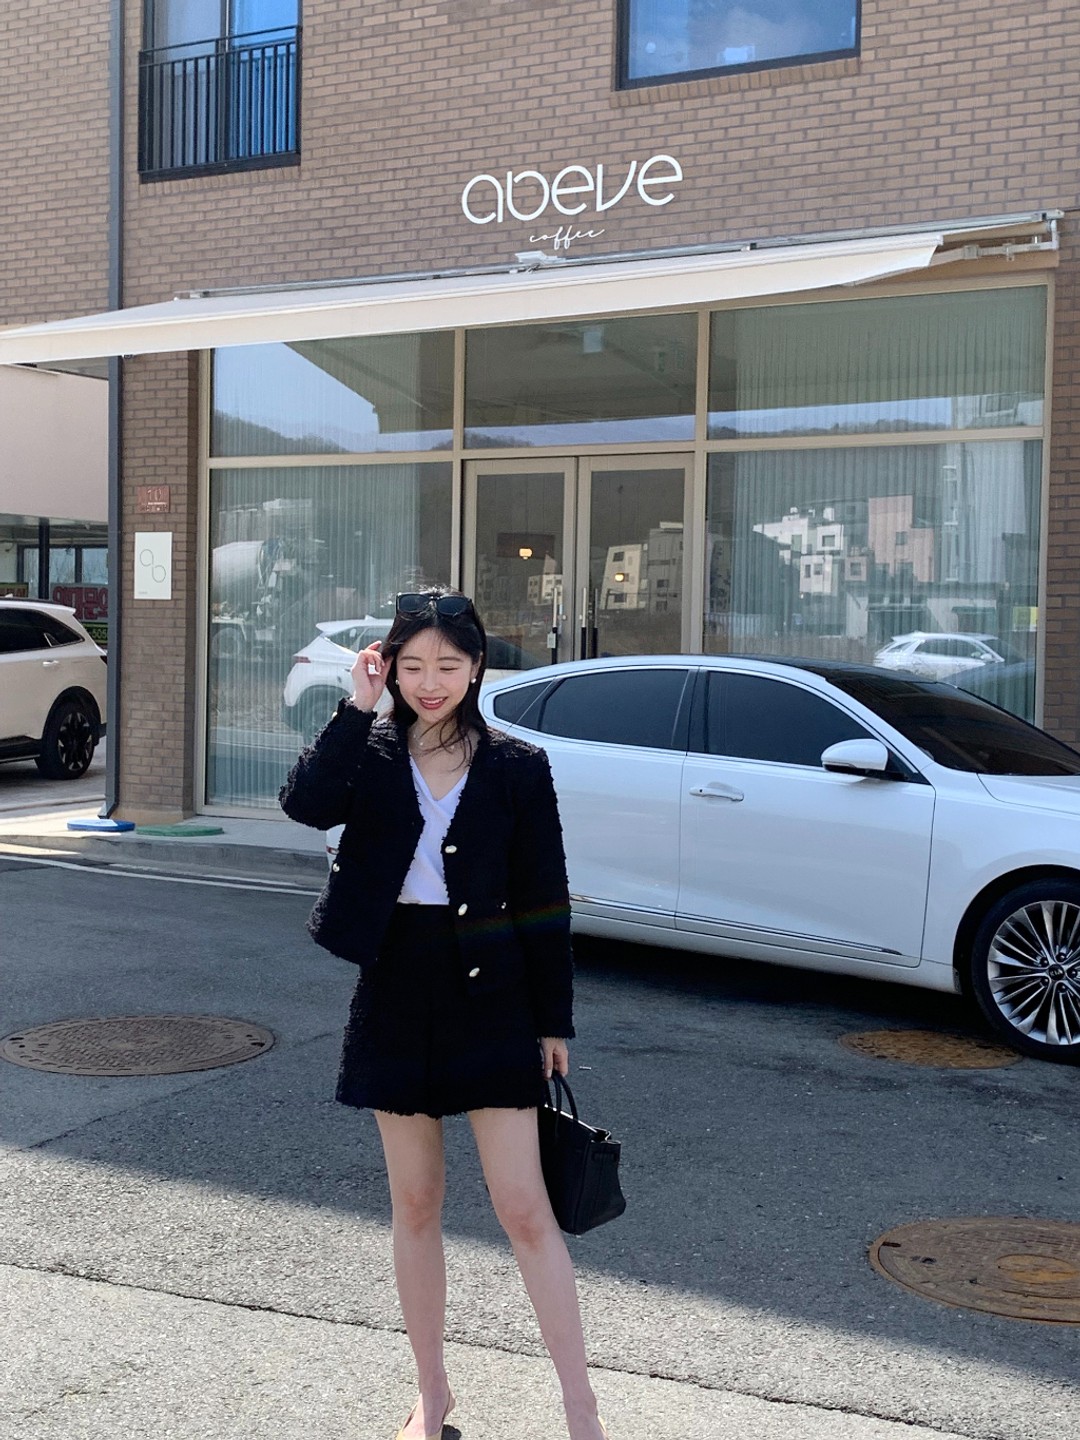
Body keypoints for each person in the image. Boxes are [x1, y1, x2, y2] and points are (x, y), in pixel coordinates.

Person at [279, 587, 609, 1440]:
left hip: (492, 993)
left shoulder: (516, 765)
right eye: (414, 666)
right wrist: (357, 706)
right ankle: (432, 1394)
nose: (431, 683)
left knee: (524, 1208)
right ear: (388, 666)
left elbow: (544, 899)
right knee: (417, 1202)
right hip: (395, 988)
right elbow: (305, 803)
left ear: (476, 668)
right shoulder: (369, 748)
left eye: (449, 666)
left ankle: (581, 1407)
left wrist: (553, 1021)